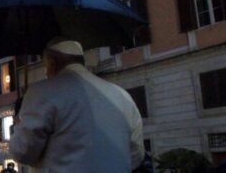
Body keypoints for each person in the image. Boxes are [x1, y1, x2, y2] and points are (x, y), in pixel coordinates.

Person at [9, 38, 144, 172]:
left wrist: (18, 126)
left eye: (46, 67)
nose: (46, 72)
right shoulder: (123, 96)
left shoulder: (41, 91)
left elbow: (22, 152)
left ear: (52, 63)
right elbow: (136, 155)